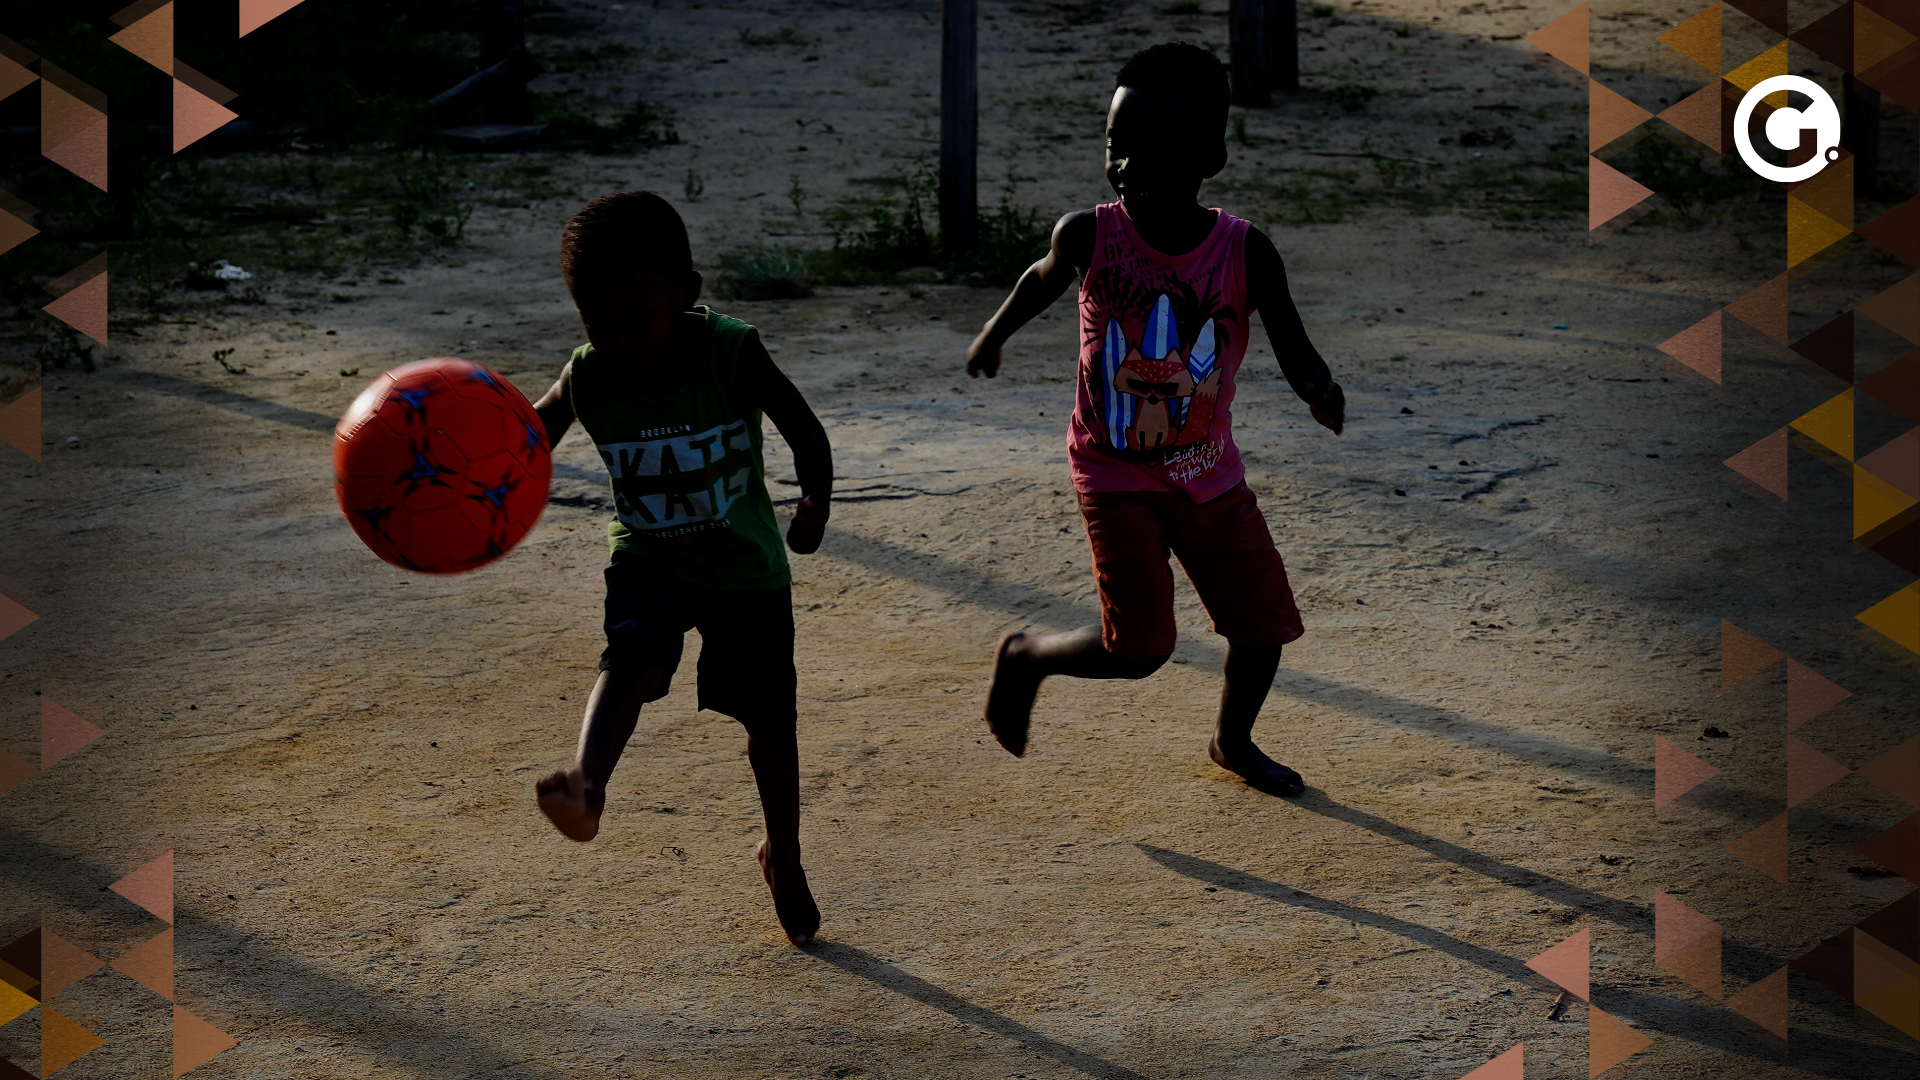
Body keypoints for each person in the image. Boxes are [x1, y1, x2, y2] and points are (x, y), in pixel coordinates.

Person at [964, 43, 1345, 797]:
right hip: (1113, 472)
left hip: (1208, 472)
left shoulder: (1246, 250)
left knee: (1263, 628)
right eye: (1116, 146)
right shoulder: (1090, 234)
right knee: (1139, 651)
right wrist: (993, 335)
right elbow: (1039, 281)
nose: (1127, 165)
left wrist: (1316, 386)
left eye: (1152, 148)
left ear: (1210, 155)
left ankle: (1232, 741)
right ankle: (1028, 657)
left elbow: (1292, 339)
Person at [530, 190, 832, 946]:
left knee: (770, 724)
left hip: (745, 568)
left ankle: (784, 854)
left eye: (639, 318)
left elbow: (804, 428)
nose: (622, 340)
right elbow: (529, 438)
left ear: (689, 295)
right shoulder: (589, 374)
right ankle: (586, 787)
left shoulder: (732, 351)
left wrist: (815, 504)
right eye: (598, 324)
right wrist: (464, 468)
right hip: (648, 556)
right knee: (627, 662)